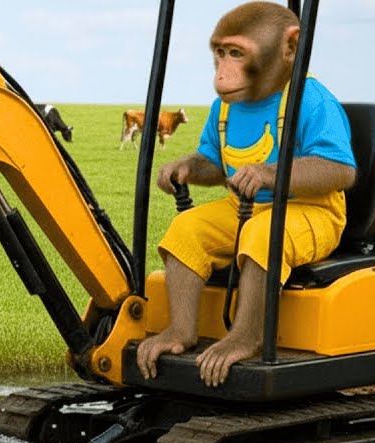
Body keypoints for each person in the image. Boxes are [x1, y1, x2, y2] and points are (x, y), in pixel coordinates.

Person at [136, 1, 356, 387]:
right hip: (246, 207)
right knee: (186, 229)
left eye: (237, 53)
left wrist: (271, 174)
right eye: (220, 53)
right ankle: (180, 331)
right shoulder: (227, 106)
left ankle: (246, 336)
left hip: (313, 211)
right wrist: (188, 166)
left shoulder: (311, 99)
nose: (224, 70)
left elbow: (340, 169)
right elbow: (216, 162)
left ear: (290, 47)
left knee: (261, 234)